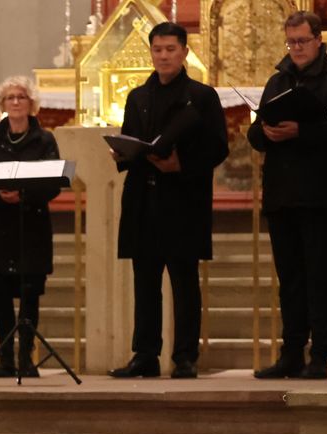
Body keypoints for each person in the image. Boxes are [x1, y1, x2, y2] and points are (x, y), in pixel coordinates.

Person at [109, 21, 229, 379]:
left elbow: (218, 146)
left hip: (182, 198)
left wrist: (182, 164)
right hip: (143, 199)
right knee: (144, 281)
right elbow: (132, 139)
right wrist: (123, 153)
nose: (163, 56)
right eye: (158, 50)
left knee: (183, 280)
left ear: (184, 52)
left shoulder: (202, 96)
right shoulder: (138, 96)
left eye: (170, 49)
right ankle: (145, 354)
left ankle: (185, 356)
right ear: (151, 52)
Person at [247, 11, 327, 380]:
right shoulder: (278, 80)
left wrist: (303, 132)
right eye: (291, 42)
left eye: (302, 41)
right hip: (282, 195)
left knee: (320, 278)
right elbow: (253, 135)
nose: (296, 48)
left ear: (319, 41)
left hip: (320, 195)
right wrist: (267, 132)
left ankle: (322, 354)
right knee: (291, 280)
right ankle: (291, 353)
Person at [0, 76, 61, 378]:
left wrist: (24, 195)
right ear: (2, 104)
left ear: (31, 103)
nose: (16, 102)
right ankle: (6, 358)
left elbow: (53, 183)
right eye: (10, 98)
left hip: (31, 223)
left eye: (21, 97)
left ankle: (26, 357)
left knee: (29, 293)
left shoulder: (45, 140)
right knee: (1, 294)